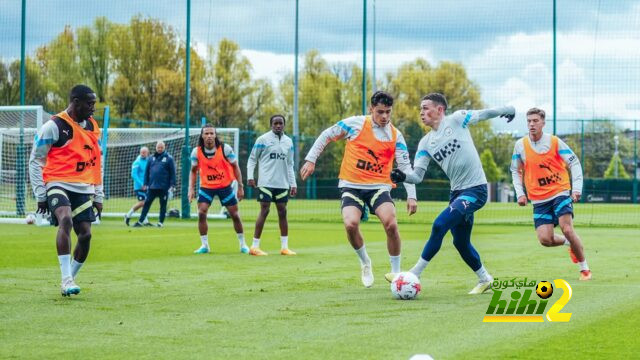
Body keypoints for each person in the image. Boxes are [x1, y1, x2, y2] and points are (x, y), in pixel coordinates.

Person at [390, 93, 515, 294]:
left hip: (476, 190)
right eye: (420, 109)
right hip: (457, 193)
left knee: (440, 224)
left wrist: (507, 110)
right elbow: (417, 176)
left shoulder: (457, 119)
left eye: (426, 108)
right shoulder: (425, 143)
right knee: (461, 242)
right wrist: (402, 176)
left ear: (440, 109)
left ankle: (415, 273)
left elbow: (484, 114)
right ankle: (485, 279)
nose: (421, 112)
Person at [300, 91, 418, 288]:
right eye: (380, 112)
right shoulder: (355, 124)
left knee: (391, 223)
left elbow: (406, 168)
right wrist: (311, 159)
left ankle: (396, 274)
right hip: (351, 185)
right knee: (350, 224)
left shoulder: (396, 136)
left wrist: (412, 196)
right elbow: (327, 135)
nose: (384, 117)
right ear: (370, 109)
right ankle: (365, 262)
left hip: (379, 186)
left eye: (388, 112)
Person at [29, 84, 103, 297]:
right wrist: (40, 193)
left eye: (94, 104)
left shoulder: (91, 126)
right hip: (57, 182)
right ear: (76, 102)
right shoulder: (54, 126)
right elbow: (35, 160)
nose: (93, 108)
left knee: (86, 235)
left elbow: (96, 162)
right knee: (66, 220)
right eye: (90, 103)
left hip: (83, 186)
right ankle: (66, 279)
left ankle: (70, 276)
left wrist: (98, 194)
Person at [510, 108, 591, 280]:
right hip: (538, 198)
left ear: (543, 123)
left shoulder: (555, 142)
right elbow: (515, 171)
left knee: (567, 228)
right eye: (529, 121)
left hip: (560, 191)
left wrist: (576, 189)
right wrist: (519, 194)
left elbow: (574, 162)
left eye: (535, 121)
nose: (532, 124)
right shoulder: (520, 146)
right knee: (545, 240)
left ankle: (584, 268)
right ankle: (570, 243)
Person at [188, 124, 249, 254]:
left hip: (225, 186)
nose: (209, 136)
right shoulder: (196, 152)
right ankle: (205, 246)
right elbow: (193, 171)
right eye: (206, 133)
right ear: (202, 136)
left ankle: (243, 244)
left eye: (211, 133)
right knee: (201, 212)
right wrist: (190, 189)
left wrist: (240, 186)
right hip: (206, 187)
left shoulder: (225, 149)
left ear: (215, 135)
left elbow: (235, 167)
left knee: (235, 215)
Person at [247, 114, 297, 256]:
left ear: (284, 125)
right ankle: (254, 246)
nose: (278, 126)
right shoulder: (262, 140)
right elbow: (252, 159)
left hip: (282, 183)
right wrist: (250, 177)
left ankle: (284, 247)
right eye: (275, 123)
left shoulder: (289, 142)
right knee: (265, 210)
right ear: (271, 125)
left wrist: (293, 183)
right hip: (266, 182)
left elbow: (290, 164)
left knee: (283, 212)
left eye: (280, 123)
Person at [133, 141, 175, 228]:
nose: (159, 149)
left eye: (161, 147)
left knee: (163, 205)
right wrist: (145, 183)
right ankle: (140, 221)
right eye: (158, 147)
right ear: (156, 147)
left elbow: (172, 173)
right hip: (152, 187)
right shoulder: (151, 158)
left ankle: (160, 222)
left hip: (164, 187)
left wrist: (172, 185)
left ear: (164, 148)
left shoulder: (169, 158)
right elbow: (147, 172)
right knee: (146, 203)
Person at [125, 146, 150, 226]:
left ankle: (145, 221)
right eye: (141, 152)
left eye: (144, 152)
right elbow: (133, 175)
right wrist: (141, 184)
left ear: (147, 153)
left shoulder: (148, 161)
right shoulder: (137, 162)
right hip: (139, 187)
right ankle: (128, 215)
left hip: (147, 186)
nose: (142, 154)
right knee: (142, 203)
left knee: (146, 203)